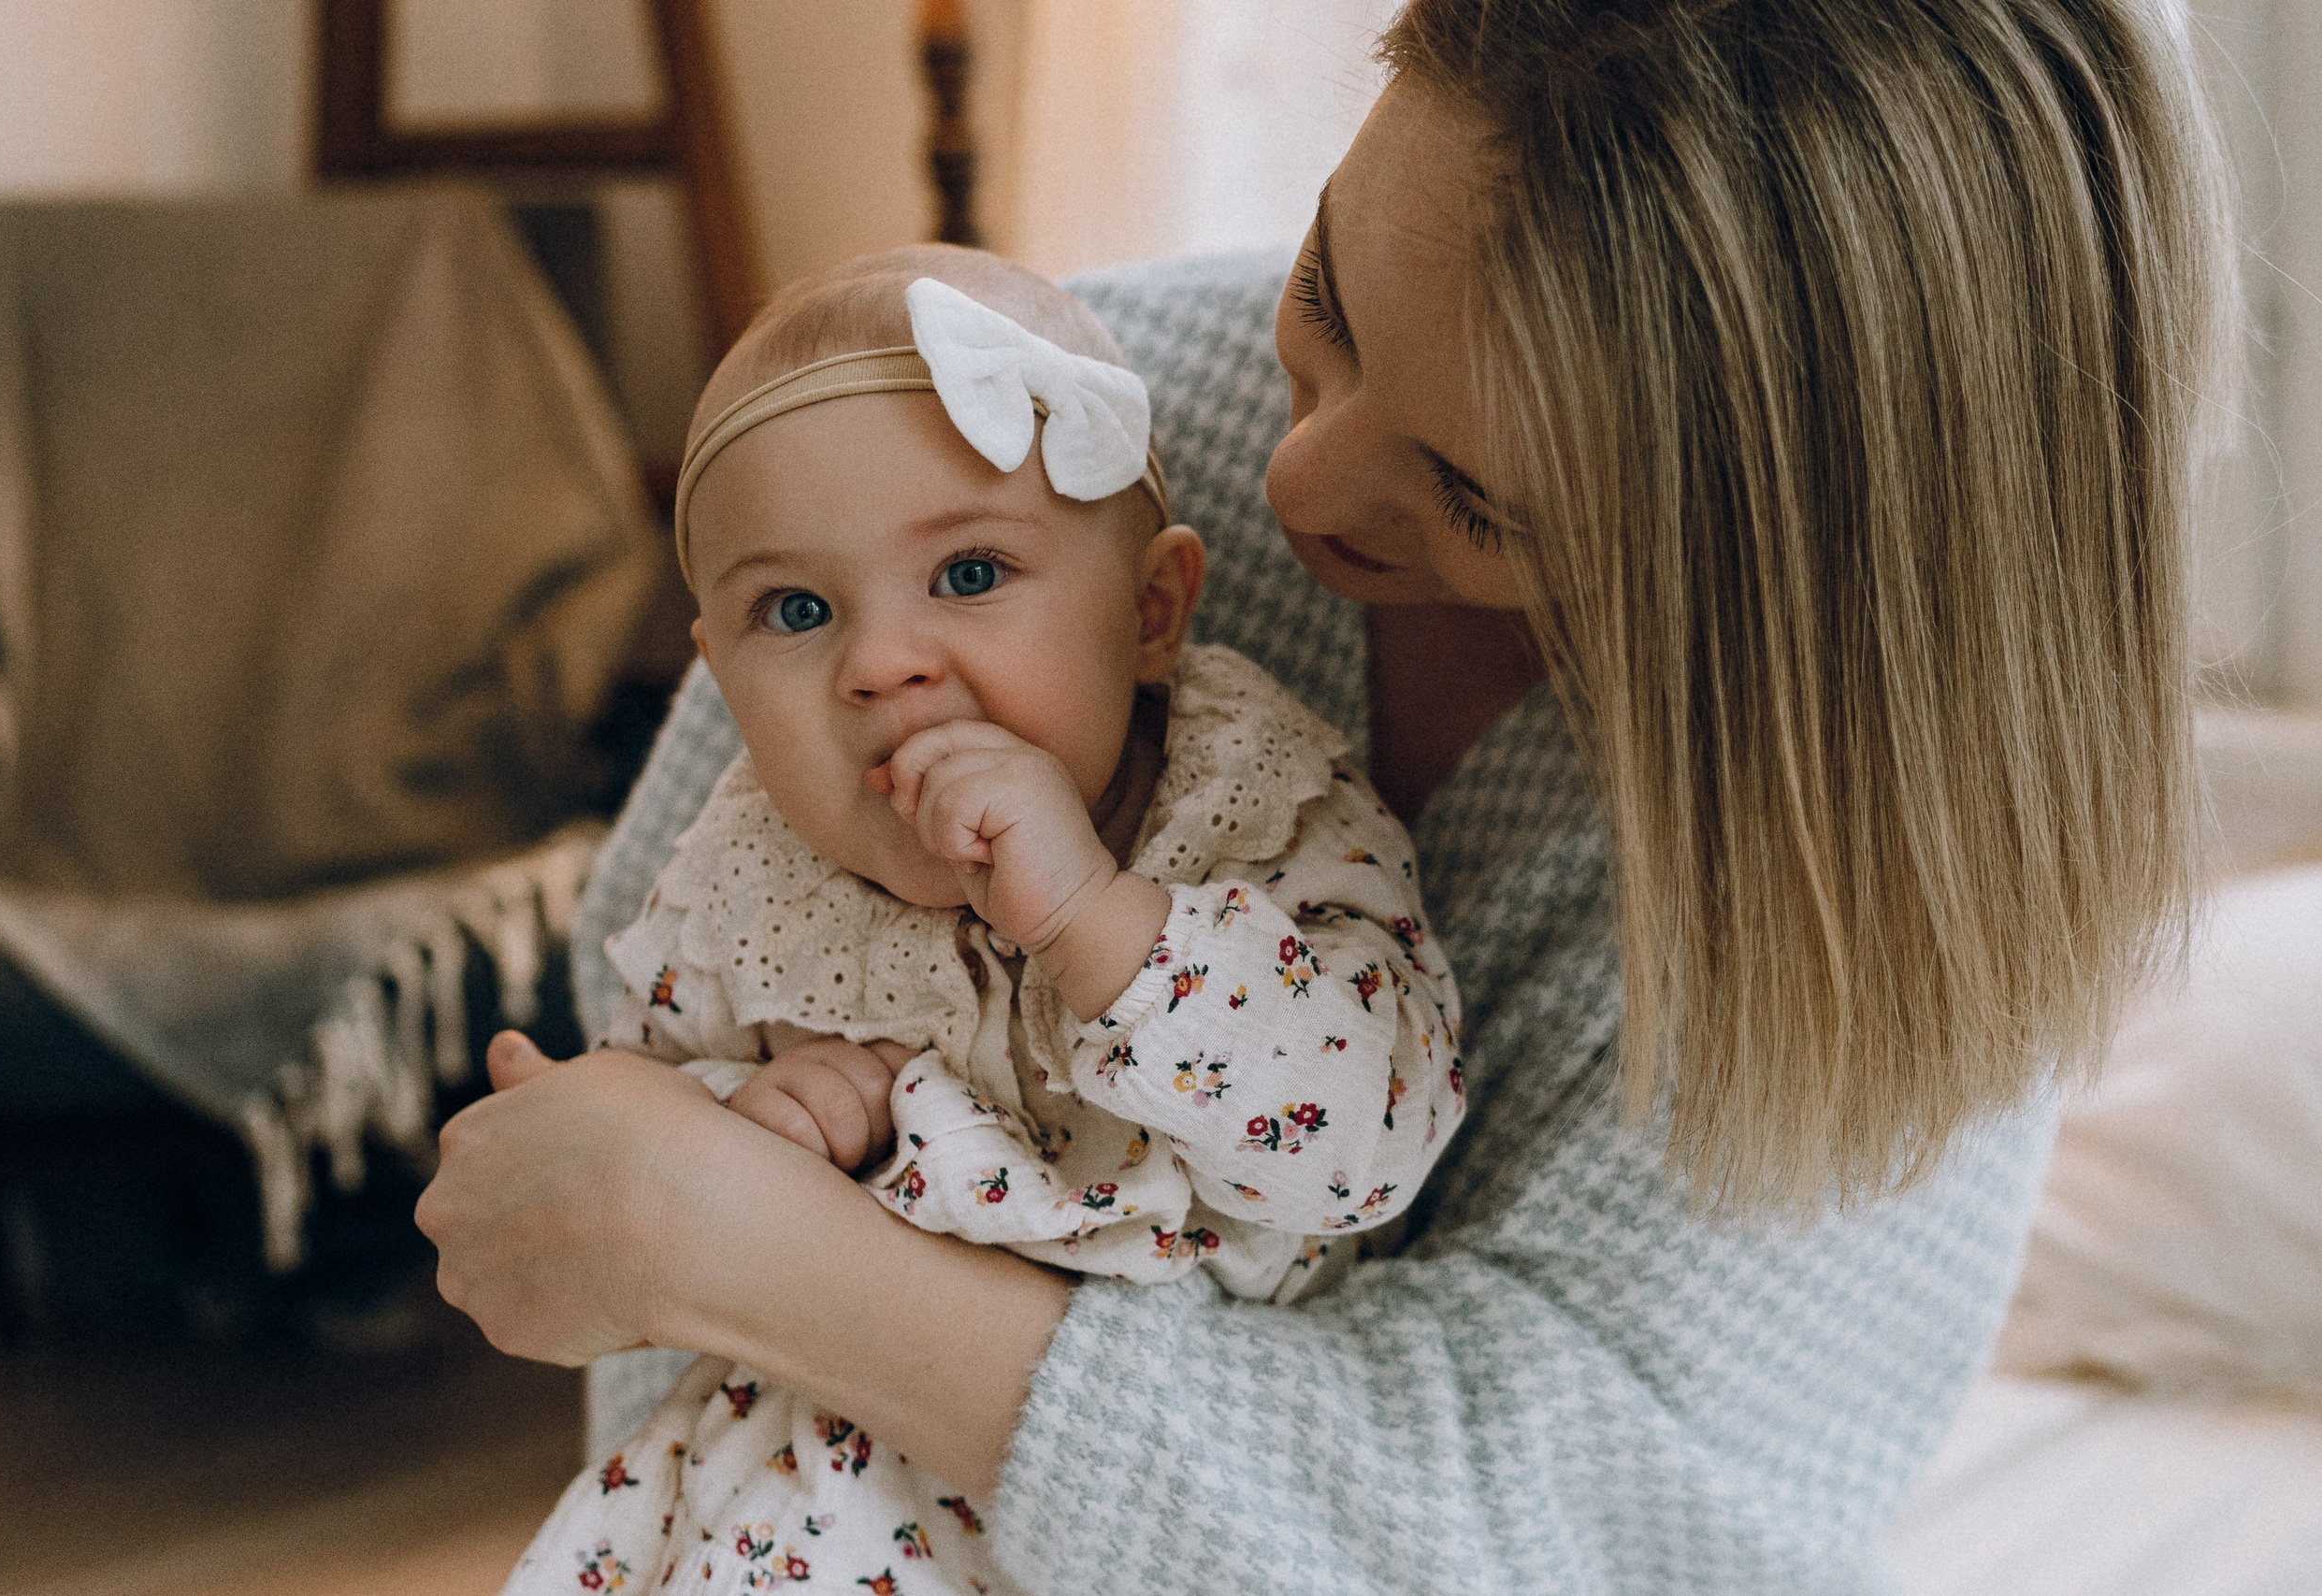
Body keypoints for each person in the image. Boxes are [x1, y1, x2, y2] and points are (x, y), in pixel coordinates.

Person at [420, 2, 2229, 1589]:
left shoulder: (1873, 864)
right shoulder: (1018, 443)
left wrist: (783, 1272)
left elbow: (1599, 1540)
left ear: (1783, 566)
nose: (1293, 477)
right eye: (1327, 295)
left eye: (1476, 498)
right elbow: (660, 1107)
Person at [499, 252, 1464, 1596]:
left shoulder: (1250, 802)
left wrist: (1096, 916)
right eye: (797, 610)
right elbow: (654, 1161)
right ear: (718, 675)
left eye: (966, 575)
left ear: (1149, 612)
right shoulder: (753, 878)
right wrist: (763, 1108)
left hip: (1169, 1489)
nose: (879, 661)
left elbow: (1369, 1147)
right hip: (809, 1481)